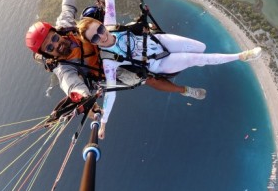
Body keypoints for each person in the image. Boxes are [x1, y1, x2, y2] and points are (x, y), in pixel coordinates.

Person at [25, 0, 205, 118]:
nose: (57, 45)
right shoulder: (63, 67)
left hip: (102, 41)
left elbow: (67, 6)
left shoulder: (65, 27)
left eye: (54, 39)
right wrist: (84, 98)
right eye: (50, 48)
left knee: (109, 19)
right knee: (145, 77)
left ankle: (166, 45)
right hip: (108, 67)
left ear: (57, 32)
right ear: (49, 55)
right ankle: (185, 91)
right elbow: (71, 84)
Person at [77, 17, 262, 139]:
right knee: (196, 58)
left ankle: (196, 65)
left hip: (157, 41)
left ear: (102, 24)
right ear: (92, 43)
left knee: (201, 47)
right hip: (157, 63)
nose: (102, 35)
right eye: (95, 38)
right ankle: (242, 56)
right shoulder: (108, 60)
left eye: (100, 29)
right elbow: (111, 93)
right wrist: (103, 123)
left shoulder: (111, 25)